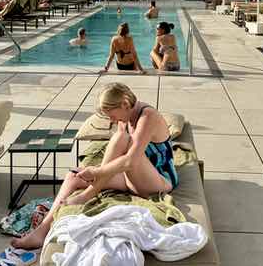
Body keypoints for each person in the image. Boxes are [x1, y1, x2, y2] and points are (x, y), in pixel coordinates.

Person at [10, 83, 177, 250]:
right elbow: (119, 154)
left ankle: (90, 193)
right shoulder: (125, 116)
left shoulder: (148, 116)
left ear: (125, 104)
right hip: (132, 177)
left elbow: (130, 162)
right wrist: (96, 174)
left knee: (123, 140)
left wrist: (96, 171)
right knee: (73, 176)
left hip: (158, 180)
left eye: (111, 115)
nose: (111, 120)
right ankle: (41, 232)